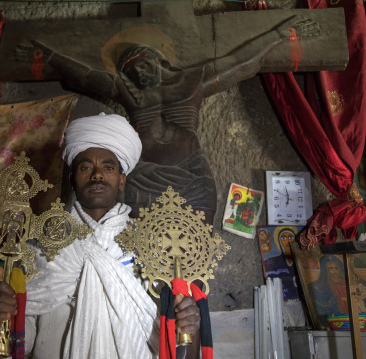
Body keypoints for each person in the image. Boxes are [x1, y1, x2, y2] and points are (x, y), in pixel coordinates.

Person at [17, 15, 320, 223]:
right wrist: (51, 57)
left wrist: (279, 36)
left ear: (160, 60)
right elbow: (86, 76)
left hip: (190, 175)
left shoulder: (193, 82)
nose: (138, 71)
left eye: (142, 62)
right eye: (129, 68)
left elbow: (242, 63)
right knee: (134, 247)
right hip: (140, 176)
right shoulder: (128, 90)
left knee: (195, 243)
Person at [0, 113, 201, 358]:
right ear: (73, 180)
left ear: (121, 180)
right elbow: (23, 339)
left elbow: (170, 341)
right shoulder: (39, 246)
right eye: (86, 167)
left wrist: (187, 327)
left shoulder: (149, 247)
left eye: (108, 167)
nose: (97, 175)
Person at [310, 255, 366, 327]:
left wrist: (357, 296)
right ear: (326, 271)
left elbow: (359, 289)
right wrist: (342, 299)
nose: (334, 271)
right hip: (341, 312)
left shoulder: (347, 281)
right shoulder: (326, 285)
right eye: (331, 269)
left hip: (355, 307)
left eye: (336, 268)